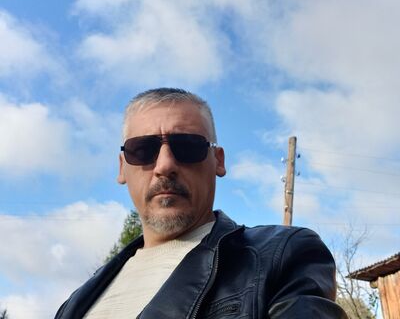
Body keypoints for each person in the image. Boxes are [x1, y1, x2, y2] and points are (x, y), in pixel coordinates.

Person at [55, 87, 347, 318]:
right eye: (143, 150)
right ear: (122, 167)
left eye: (187, 147)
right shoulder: (75, 303)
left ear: (218, 161)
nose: (165, 165)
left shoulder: (280, 257)